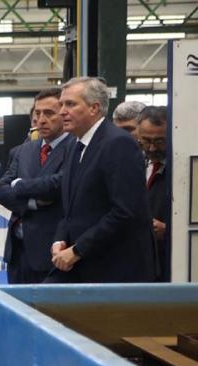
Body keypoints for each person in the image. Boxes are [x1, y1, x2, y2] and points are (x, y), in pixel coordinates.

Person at [46, 76, 154, 283]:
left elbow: (125, 212)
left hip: (114, 269)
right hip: (79, 265)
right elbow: (70, 209)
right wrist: (59, 240)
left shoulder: (118, 144)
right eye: (61, 104)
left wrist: (78, 250)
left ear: (94, 108)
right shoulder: (73, 145)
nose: (62, 112)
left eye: (70, 104)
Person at [0, 87, 73, 284]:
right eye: (37, 113)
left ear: (64, 114)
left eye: (49, 113)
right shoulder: (23, 150)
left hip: (53, 252)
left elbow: (58, 185)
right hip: (18, 252)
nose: (41, 120)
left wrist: (19, 185)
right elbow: (2, 191)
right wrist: (34, 202)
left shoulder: (75, 148)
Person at [138, 105, 169, 281]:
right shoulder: (135, 162)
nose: (151, 148)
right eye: (146, 141)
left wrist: (168, 230)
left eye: (159, 142)